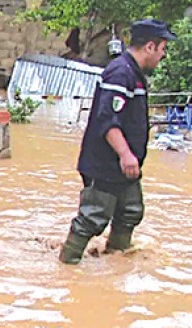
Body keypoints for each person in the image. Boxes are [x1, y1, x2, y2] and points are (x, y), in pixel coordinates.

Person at [59, 19, 177, 265]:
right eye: (163, 49)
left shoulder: (134, 74)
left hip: (125, 167)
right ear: (150, 47)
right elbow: (107, 119)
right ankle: (67, 267)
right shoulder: (120, 72)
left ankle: (116, 258)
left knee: (130, 212)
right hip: (106, 164)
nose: (163, 56)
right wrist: (125, 154)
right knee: (92, 218)